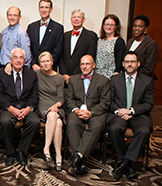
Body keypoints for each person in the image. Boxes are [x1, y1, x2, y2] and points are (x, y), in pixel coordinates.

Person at [108, 51, 154, 180]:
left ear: (138, 64)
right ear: (123, 64)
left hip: (139, 115)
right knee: (114, 128)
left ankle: (124, 163)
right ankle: (127, 164)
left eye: (132, 61)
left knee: (144, 131)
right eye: (127, 62)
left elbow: (149, 103)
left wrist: (132, 110)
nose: (129, 64)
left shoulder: (147, 81)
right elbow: (109, 101)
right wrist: (119, 111)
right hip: (119, 114)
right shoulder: (114, 80)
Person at [0, 48, 40, 166]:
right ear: (11, 60)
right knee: (5, 121)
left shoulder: (32, 74)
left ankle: (22, 151)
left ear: (24, 60)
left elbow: (34, 95)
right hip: (8, 107)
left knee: (35, 122)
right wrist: (11, 108)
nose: (18, 60)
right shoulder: (2, 74)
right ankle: (10, 152)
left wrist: (28, 108)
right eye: (15, 57)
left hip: (26, 107)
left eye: (21, 58)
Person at [66, 55, 110, 175]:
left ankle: (77, 157)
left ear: (93, 65)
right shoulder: (73, 80)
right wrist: (76, 110)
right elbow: (69, 99)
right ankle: (79, 160)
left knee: (97, 126)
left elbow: (105, 102)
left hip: (95, 112)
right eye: (82, 64)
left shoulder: (103, 81)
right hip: (77, 111)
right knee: (72, 123)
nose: (84, 67)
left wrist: (91, 113)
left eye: (87, 64)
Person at [36, 51, 65, 172]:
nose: (45, 63)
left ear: (52, 62)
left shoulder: (59, 78)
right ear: (40, 64)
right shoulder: (36, 74)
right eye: (43, 62)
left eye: (47, 61)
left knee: (54, 116)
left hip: (56, 107)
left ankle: (47, 148)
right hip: (42, 108)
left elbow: (61, 98)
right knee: (58, 123)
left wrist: (55, 106)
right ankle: (58, 156)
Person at [59, 9, 97, 84]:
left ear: (83, 20)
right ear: (71, 20)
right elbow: (61, 55)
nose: (76, 19)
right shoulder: (65, 35)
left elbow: (90, 56)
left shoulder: (91, 36)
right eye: (74, 17)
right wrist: (64, 73)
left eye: (79, 17)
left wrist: (75, 75)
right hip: (65, 77)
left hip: (82, 75)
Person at [27, 0, 64, 71]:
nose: (44, 10)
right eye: (42, 7)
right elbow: (28, 48)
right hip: (33, 69)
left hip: (50, 69)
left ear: (51, 9)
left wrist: (46, 64)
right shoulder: (31, 27)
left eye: (46, 7)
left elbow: (58, 49)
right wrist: (33, 64)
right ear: (38, 9)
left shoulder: (58, 28)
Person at [0, 6, 32, 73]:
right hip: (3, 67)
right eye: (10, 15)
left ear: (19, 17)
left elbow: (27, 56)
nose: (12, 17)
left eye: (15, 15)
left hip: (14, 69)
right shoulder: (4, 31)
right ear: (7, 16)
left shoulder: (21, 34)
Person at [127, 15, 158, 80]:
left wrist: (133, 75)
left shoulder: (151, 44)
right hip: (129, 78)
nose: (136, 28)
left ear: (145, 29)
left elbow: (149, 68)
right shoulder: (130, 41)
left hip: (142, 79)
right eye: (135, 26)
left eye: (140, 26)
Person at [95, 14, 126, 79]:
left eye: (112, 25)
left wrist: (116, 74)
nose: (109, 27)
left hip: (111, 75)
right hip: (97, 74)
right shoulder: (98, 40)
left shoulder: (119, 42)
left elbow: (120, 60)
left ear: (116, 26)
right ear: (103, 26)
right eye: (107, 24)